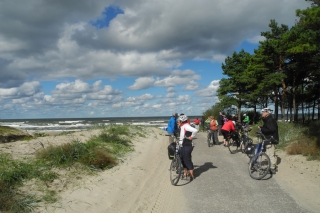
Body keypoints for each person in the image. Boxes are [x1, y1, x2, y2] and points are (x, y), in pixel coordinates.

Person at [258, 108, 279, 174]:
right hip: (269, 139)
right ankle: (273, 166)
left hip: (271, 140)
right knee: (270, 153)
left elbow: (271, 129)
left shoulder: (270, 120)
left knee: (270, 154)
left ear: (267, 113)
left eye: (263, 112)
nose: (262, 113)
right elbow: (268, 128)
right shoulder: (268, 120)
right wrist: (262, 128)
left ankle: (272, 168)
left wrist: (262, 130)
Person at [178, 114, 198, 181]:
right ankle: (185, 172)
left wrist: (191, 137)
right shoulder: (183, 126)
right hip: (183, 145)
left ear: (182, 121)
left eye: (179, 120)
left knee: (187, 159)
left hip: (188, 145)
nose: (178, 121)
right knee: (182, 158)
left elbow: (195, 130)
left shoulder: (186, 126)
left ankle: (191, 175)